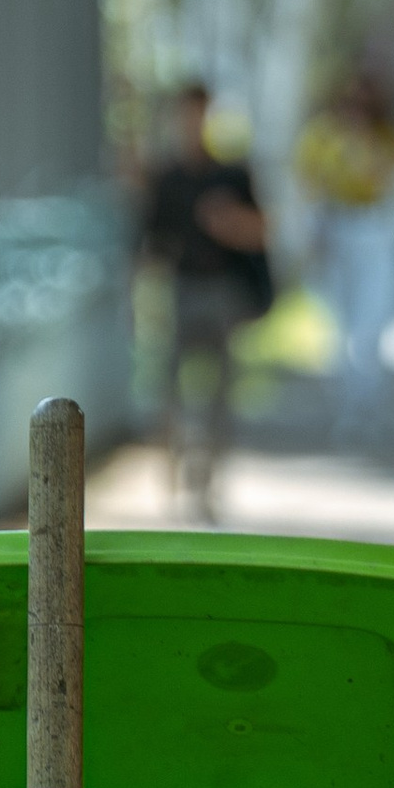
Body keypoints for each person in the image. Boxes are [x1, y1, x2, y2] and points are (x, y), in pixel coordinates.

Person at [135, 83, 271, 518]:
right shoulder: (166, 178)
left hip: (222, 292)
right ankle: (174, 474)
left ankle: (209, 483)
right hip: (181, 291)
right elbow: (149, 246)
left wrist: (228, 223)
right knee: (169, 392)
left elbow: (262, 232)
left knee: (219, 395)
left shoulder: (231, 175)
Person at [294, 68, 394, 437]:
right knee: (338, 325)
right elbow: (308, 187)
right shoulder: (321, 137)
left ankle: (367, 402)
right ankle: (345, 402)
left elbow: (388, 181)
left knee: (370, 323)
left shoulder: (389, 140)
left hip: (375, 230)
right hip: (335, 231)